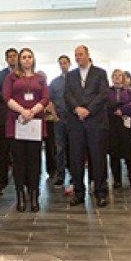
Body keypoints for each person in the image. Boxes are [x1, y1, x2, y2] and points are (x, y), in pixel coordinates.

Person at [3, 48, 50, 212]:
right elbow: (6, 97)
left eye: (30, 56)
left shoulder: (40, 78)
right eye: (23, 57)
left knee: (34, 161)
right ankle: (20, 196)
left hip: (35, 123)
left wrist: (32, 111)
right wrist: (23, 111)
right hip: (17, 122)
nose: (27, 60)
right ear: (19, 60)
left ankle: (34, 196)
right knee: (19, 162)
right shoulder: (11, 77)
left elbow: (45, 98)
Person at [64, 45, 110, 207]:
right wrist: (77, 109)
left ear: (88, 55)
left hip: (95, 121)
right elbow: (67, 95)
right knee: (76, 159)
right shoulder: (70, 76)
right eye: (75, 55)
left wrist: (89, 110)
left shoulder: (100, 73)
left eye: (81, 54)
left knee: (97, 158)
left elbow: (103, 94)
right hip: (76, 122)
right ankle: (78, 192)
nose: (78, 58)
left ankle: (100, 192)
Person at [107, 69, 131, 190]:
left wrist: (121, 110)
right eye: (114, 75)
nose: (117, 78)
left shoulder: (129, 90)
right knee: (114, 152)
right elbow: (105, 104)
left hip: (129, 125)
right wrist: (115, 109)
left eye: (119, 75)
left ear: (123, 78)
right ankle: (117, 180)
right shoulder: (107, 91)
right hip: (113, 125)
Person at [0, 48, 18, 194]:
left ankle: (21, 181)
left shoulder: (23, 73)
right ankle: (1, 182)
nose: (13, 59)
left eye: (15, 56)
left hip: (20, 117)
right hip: (4, 115)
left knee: (19, 151)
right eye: (10, 56)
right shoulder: (0, 75)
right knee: (3, 151)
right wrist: (11, 98)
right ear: (6, 59)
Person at [49, 55, 70, 188]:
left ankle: (75, 175)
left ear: (69, 64)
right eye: (61, 63)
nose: (63, 65)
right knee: (60, 148)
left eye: (65, 63)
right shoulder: (54, 82)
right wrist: (54, 115)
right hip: (59, 118)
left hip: (73, 119)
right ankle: (61, 175)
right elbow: (49, 100)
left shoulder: (75, 79)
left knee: (74, 148)